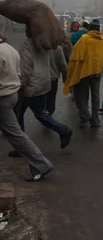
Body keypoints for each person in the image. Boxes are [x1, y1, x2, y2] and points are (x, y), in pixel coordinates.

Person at [0, 35, 54, 182]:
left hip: (2, 97)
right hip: (11, 94)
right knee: (14, 133)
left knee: (16, 134)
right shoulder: (10, 49)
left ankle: (41, 164)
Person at [16, 27, 72, 149]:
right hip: (44, 83)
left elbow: (26, 68)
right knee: (41, 113)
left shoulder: (27, 45)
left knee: (17, 115)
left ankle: (22, 147)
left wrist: (20, 85)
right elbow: (62, 64)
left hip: (30, 86)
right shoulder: (47, 43)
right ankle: (63, 130)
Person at [64, 19, 103, 127]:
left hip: (85, 71)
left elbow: (77, 55)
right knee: (95, 96)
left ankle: (85, 115)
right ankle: (95, 120)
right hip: (97, 71)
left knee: (82, 95)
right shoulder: (102, 40)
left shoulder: (85, 39)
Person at [46, 45, 67, 115]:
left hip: (40, 78)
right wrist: (65, 77)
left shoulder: (37, 45)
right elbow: (62, 64)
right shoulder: (57, 48)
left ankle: (44, 113)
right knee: (51, 99)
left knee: (41, 99)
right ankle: (48, 114)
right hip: (53, 78)